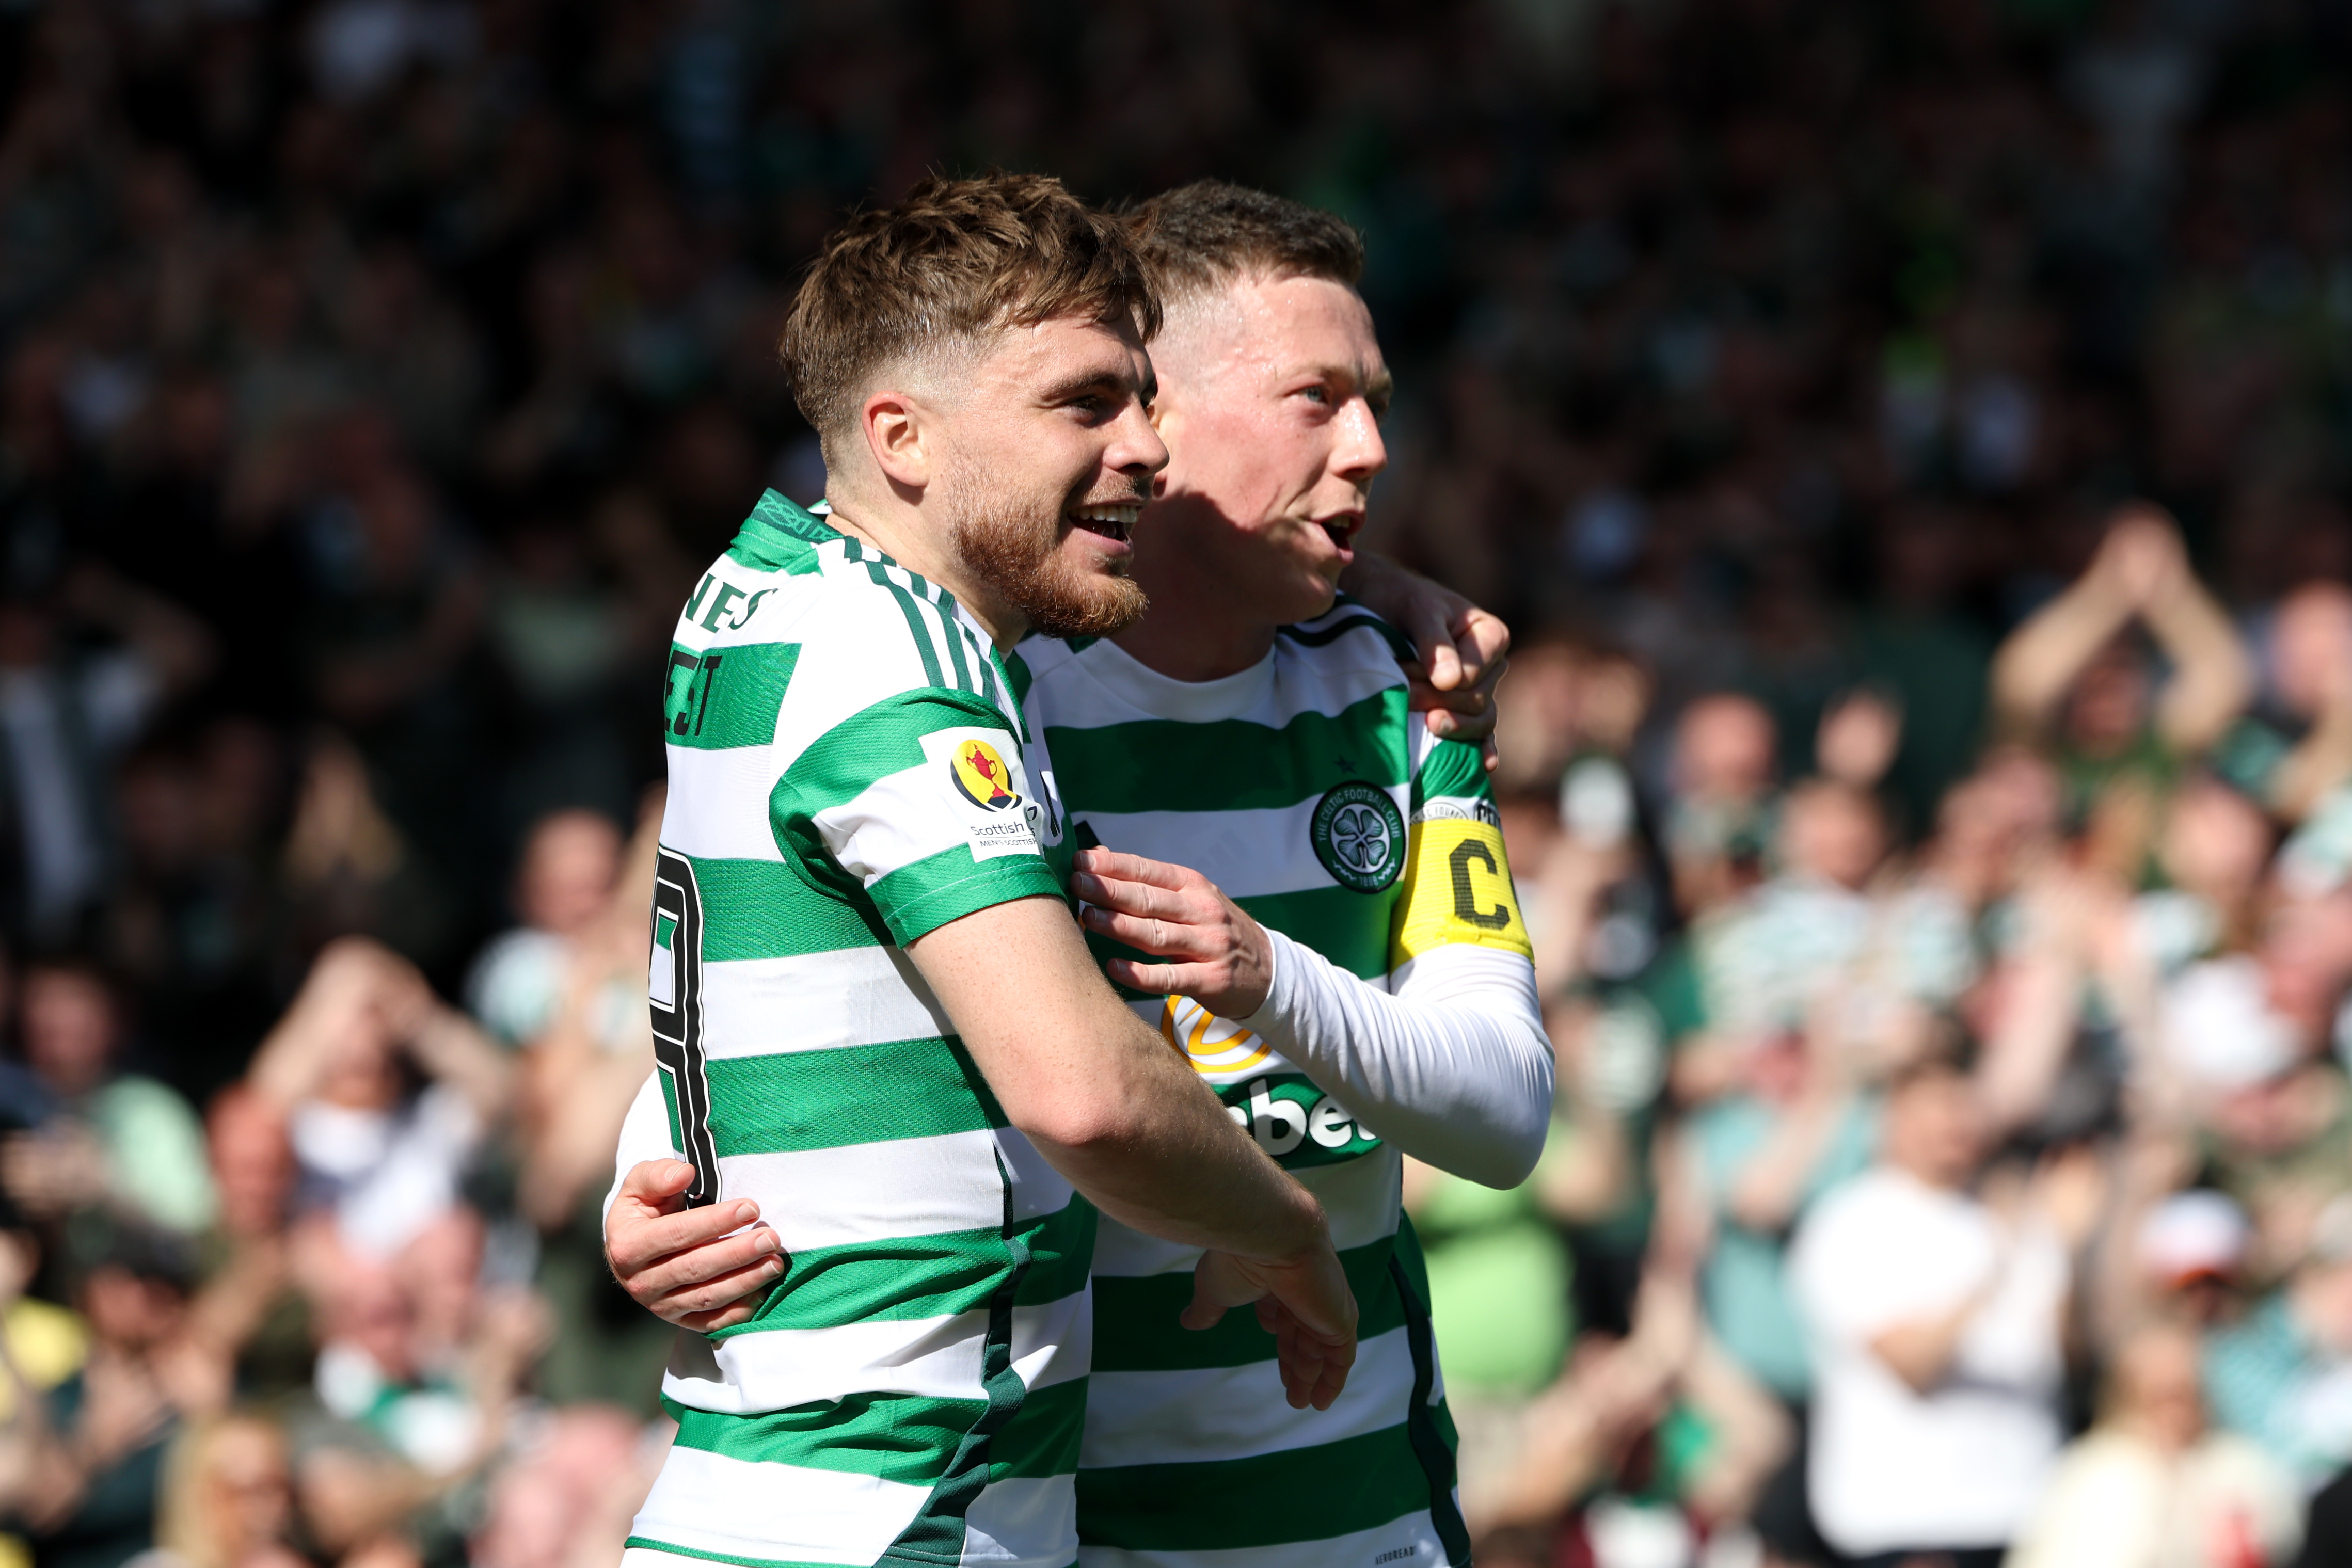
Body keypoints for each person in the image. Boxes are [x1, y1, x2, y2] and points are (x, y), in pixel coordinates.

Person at [607, 182, 1541, 1568]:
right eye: (1314, 397)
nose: (1369, 448)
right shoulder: (982, 682)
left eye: (1375, 400)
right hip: (1031, 1506)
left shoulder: (1400, 697)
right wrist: (657, 1168)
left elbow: (1503, 1111)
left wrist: (1265, 973)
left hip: (1331, 1510)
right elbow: (856, 991)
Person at [1785, 1055, 2081, 1568]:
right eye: (1937, 1107)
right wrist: (1996, 1265)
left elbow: (2065, 1359)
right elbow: (1911, 1363)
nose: (1955, 1123)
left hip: (2028, 1516)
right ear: (1892, 1118)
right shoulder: (1851, 1223)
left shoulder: (2017, 1214)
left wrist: (2069, 1247)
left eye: (1964, 1105)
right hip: (1914, 1526)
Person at [2007, 1319, 2301, 1568]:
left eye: (2183, 1392)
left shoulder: (2237, 1463)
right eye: (2160, 1396)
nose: (2174, 1411)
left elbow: (2277, 1538)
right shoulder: (2098, 1473)